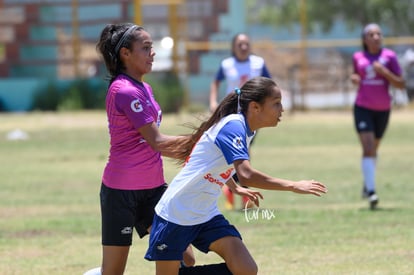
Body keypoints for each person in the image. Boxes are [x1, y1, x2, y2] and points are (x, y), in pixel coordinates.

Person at [145, 76, 327, 275]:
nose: (282, 109)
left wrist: (234, 187)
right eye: (276, 104)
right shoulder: (234, 126)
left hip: (205, 214)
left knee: (246, 269)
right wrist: (293, 185)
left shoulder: (248, 130)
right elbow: (246, 174)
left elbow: (215, 162)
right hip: (177, 213)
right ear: (255, 107)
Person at [84, 23, 195, 275]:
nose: (152, 53)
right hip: (121, 192)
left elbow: (159, 145)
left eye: (151, 48)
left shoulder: (146, 88)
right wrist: (204, 140)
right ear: (125, 53)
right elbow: (158, 143)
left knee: (185, 257)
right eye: (145, 48)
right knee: (113, 272)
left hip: (153, 188)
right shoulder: (123, 90)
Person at [209, 33, 272, 210]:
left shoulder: (258, 63)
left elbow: (269, 84)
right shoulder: (227, 64)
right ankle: (240, 190)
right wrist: (213, 101)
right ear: (233, 47)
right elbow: (215, 82)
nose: (243, 47)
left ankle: (234, 189)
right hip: (231, 114)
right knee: (241, 152)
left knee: (243, 152)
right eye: (240, 44)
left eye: (246, 44)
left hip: (253, 115)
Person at [350, 23, 405, 210]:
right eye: (371, 34)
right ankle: (372, 192)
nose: (376, 37)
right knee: (368, 147)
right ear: (365, 39)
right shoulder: (358, 56)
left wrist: (385, 72)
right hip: (363, 107)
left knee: (374, 148)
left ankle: (368, 182)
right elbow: (355, 75)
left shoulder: (389, 56)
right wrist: (354, 78)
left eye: (378, 34)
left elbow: (401, 84)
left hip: (383, 109)